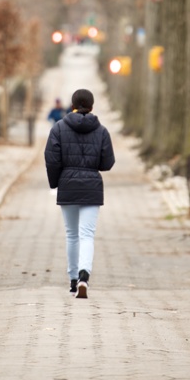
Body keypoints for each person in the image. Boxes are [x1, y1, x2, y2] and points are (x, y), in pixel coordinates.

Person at [44, 88, 115, 299]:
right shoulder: (101, 131)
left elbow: (51, 159)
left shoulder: (58, 128)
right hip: (92, 187)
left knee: (72, 234)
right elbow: (107, 162)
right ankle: (85, 276)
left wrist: (56, 183)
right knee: (87, 234)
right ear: (91, 106)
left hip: (68, 185)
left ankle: (73, 280)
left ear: (72, 105)